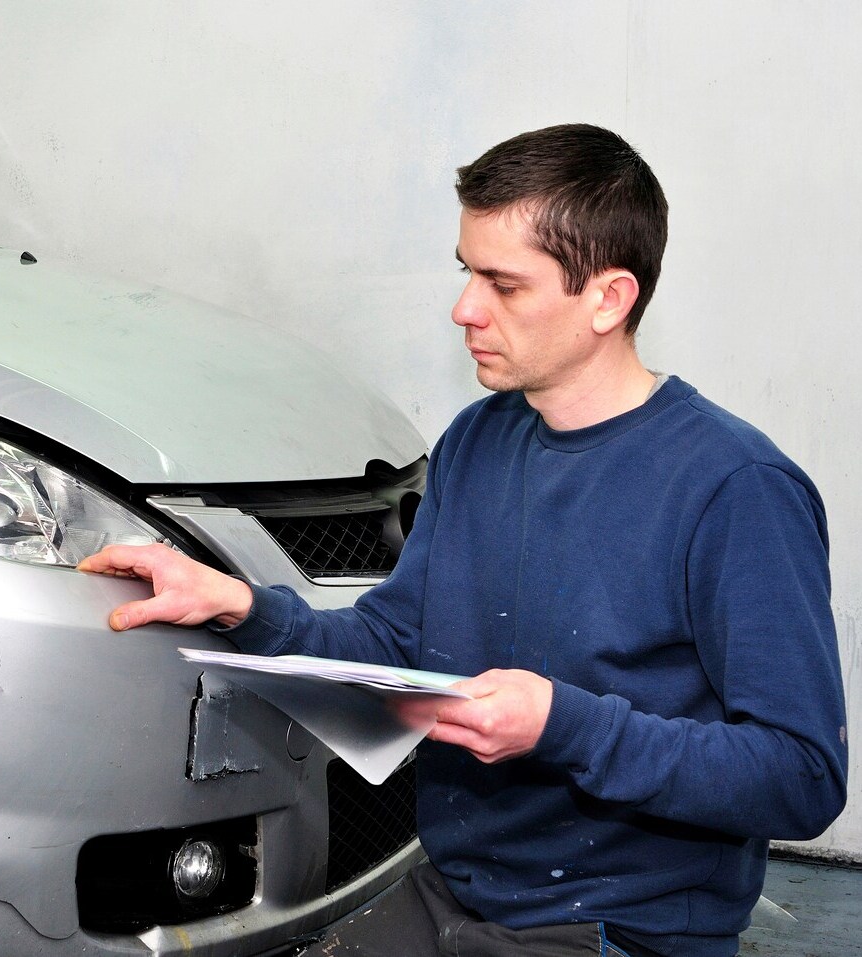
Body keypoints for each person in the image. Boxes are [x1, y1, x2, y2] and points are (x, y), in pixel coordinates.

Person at [77, 124, 848, 957]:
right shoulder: (479, 440)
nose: (464, 309)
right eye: (466, 271)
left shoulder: (737, 489)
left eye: (503, 284)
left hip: (616, 923)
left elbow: (802, 775)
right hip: (454, 888)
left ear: (608, 299)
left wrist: (564, 725)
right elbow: (396, 641)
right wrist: (242, 606)